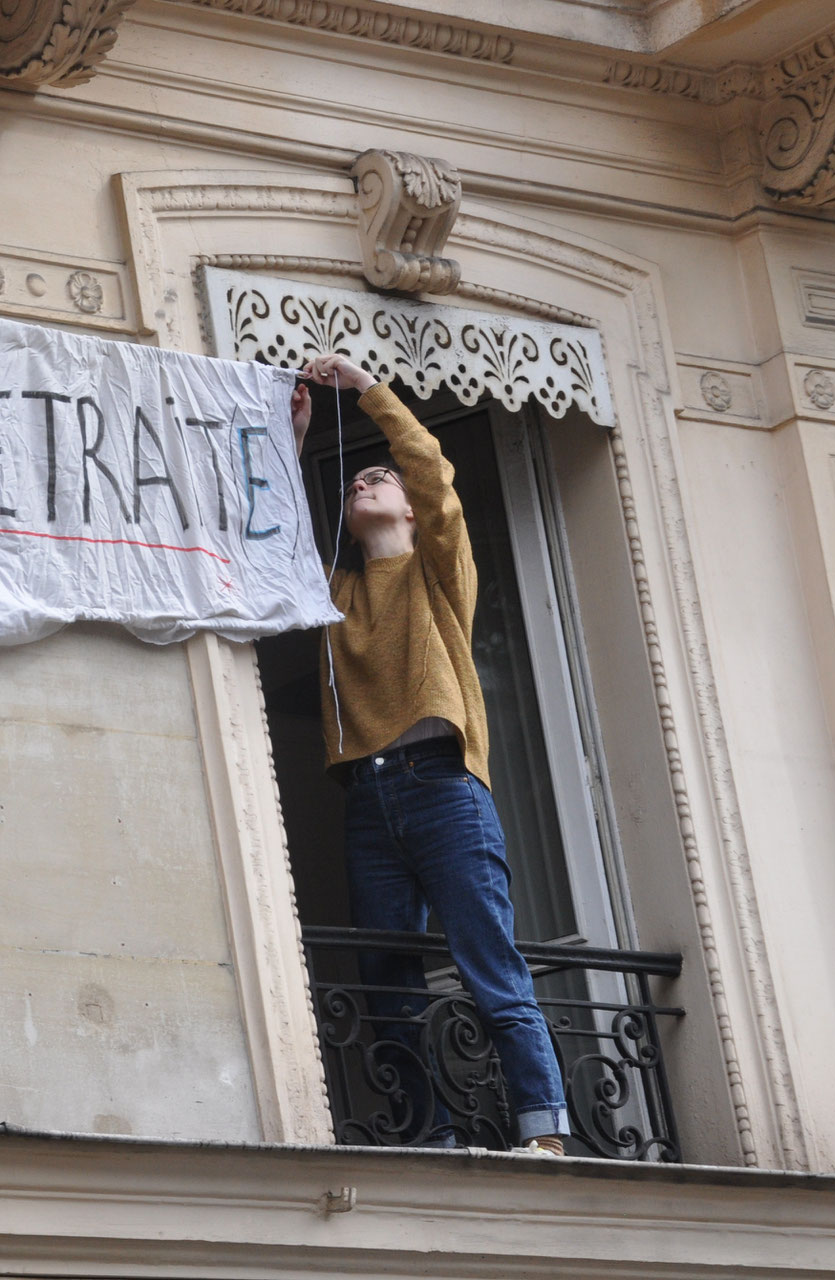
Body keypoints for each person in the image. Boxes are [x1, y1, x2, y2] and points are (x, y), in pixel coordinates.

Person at [292, 352, 570, 1156]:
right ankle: (429, 1135)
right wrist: (297, 437)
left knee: (487, 958)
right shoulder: (338, 596)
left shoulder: (439, 575)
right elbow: (269, 545)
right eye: (354, 482)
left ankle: (544, 1130)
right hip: (368, 800)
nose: (362, 483)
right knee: (386, 979)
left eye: (379, 478)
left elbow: (435, 474)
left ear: (409, 511)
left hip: (443, 787)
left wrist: (368, 394)